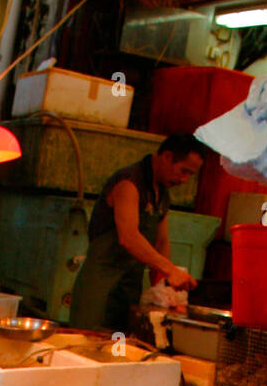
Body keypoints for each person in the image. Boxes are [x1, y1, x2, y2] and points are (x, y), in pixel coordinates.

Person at [69, 134, 205, 333]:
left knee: (120, 349)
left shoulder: (162, 194)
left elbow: (161, 242)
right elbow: (128, 237)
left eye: (190, 175)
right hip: (99, 286)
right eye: (184, 171)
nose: (184, 180)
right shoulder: (129, 183)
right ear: (167, 157)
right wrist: (171, 270)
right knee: (84, 344)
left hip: (129, 288)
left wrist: (165, 290)